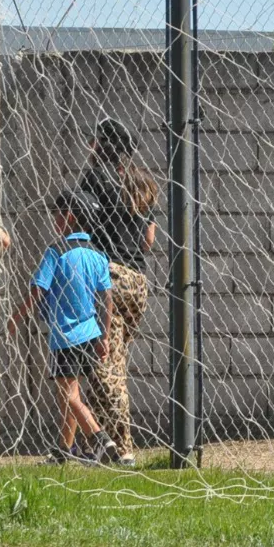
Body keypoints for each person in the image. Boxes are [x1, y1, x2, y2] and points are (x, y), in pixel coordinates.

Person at [6, 189, 121, 464]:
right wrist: (104, 337)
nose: (54, 220)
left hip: (65, 338)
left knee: (68, 396)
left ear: (68, 217)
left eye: (56, 214)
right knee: (72, 393)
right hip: (91, 334)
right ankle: (64, 450)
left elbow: (37, 290)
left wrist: (15, 319)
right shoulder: (98, 255)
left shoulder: (56, 251)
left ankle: (99, 438)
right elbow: (107, 299)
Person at [77, 118, 159, 466]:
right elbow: (149, 240)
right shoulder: (139, 182)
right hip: (138, 281)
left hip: (108, 276)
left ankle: (122, 449)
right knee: (112, 364)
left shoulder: (94, 178)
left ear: (100, 145)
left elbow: (82, 222)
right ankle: (101, 445)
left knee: (103, 367)